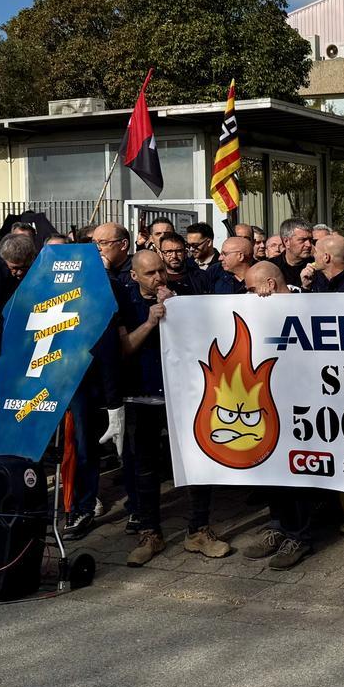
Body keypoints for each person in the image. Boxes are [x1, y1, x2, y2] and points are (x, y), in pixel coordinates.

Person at [117, 250, 230, 566]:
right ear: (135, 276)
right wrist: (151, 321)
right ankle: (150, 531)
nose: (158, 278)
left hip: (183, 395)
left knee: (197, 461)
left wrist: (177, 308)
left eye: (161, 271)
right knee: (146, 468)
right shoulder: (124, 303)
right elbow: (124, 348)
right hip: (142, 395)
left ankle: (198, 529)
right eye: (150, 273)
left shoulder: (184, 297)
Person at [270, 219, 313, 291]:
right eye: (302, 240)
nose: (308, 245)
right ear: (287, 242)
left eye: (310, 240)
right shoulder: (271, 267)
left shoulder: (316, 267)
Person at [91, 223, 133, 287]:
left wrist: (106, 273)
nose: (97, 248)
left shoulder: (138, 270)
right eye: (94, 243)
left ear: (123, 245)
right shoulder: (90, 267)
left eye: (103, 243)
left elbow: (124, 295)